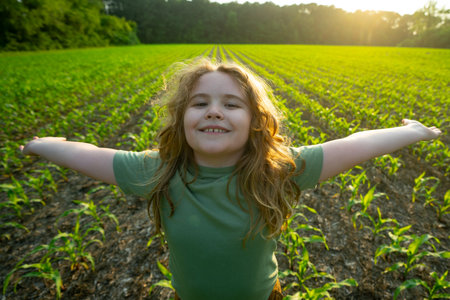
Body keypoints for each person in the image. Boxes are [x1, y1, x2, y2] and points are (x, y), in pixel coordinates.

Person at [20, 59, 442, 300]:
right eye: (200, 102)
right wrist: (46, 144)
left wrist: (413, 131)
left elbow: (356, 143)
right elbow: (90, 155)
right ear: (182, 119)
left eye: (231, 104)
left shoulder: (278, 169)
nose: (214, 111)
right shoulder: (159, 170)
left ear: (256, 123)